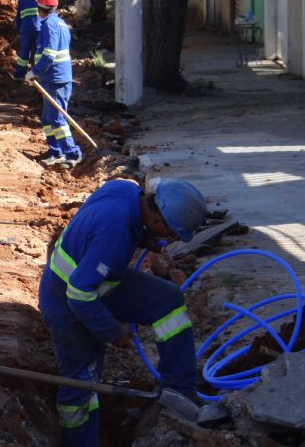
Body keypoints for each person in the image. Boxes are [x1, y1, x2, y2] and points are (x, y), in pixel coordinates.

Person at [38, 178, 207, 446]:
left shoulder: (126, 191)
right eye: (170, 234)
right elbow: (79, 295)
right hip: (66, 303)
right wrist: (113, 330)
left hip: (99, 284)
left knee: (168, 300)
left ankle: (179, 391)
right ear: (156, 221)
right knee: (83, 380)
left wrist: (145, 239)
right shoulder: (115, 234)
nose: (168, 241)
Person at [24, 0, 81, 169]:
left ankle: (72, 153)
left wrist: (34, 71)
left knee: (56, 118)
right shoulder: (59, 23)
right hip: (53, 77)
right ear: (54, 6)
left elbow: (49, 55)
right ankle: (55, 151)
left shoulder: (50, 26)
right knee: (48, 118)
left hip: (56, 78)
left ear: (39, 7)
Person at [13, 0, 41, 81]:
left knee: (24, 52)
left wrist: (18, 30)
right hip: (40, 28)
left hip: (26, 29)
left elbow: (19, 15)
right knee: (38, 52)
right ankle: (36, 75)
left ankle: (19, 75)